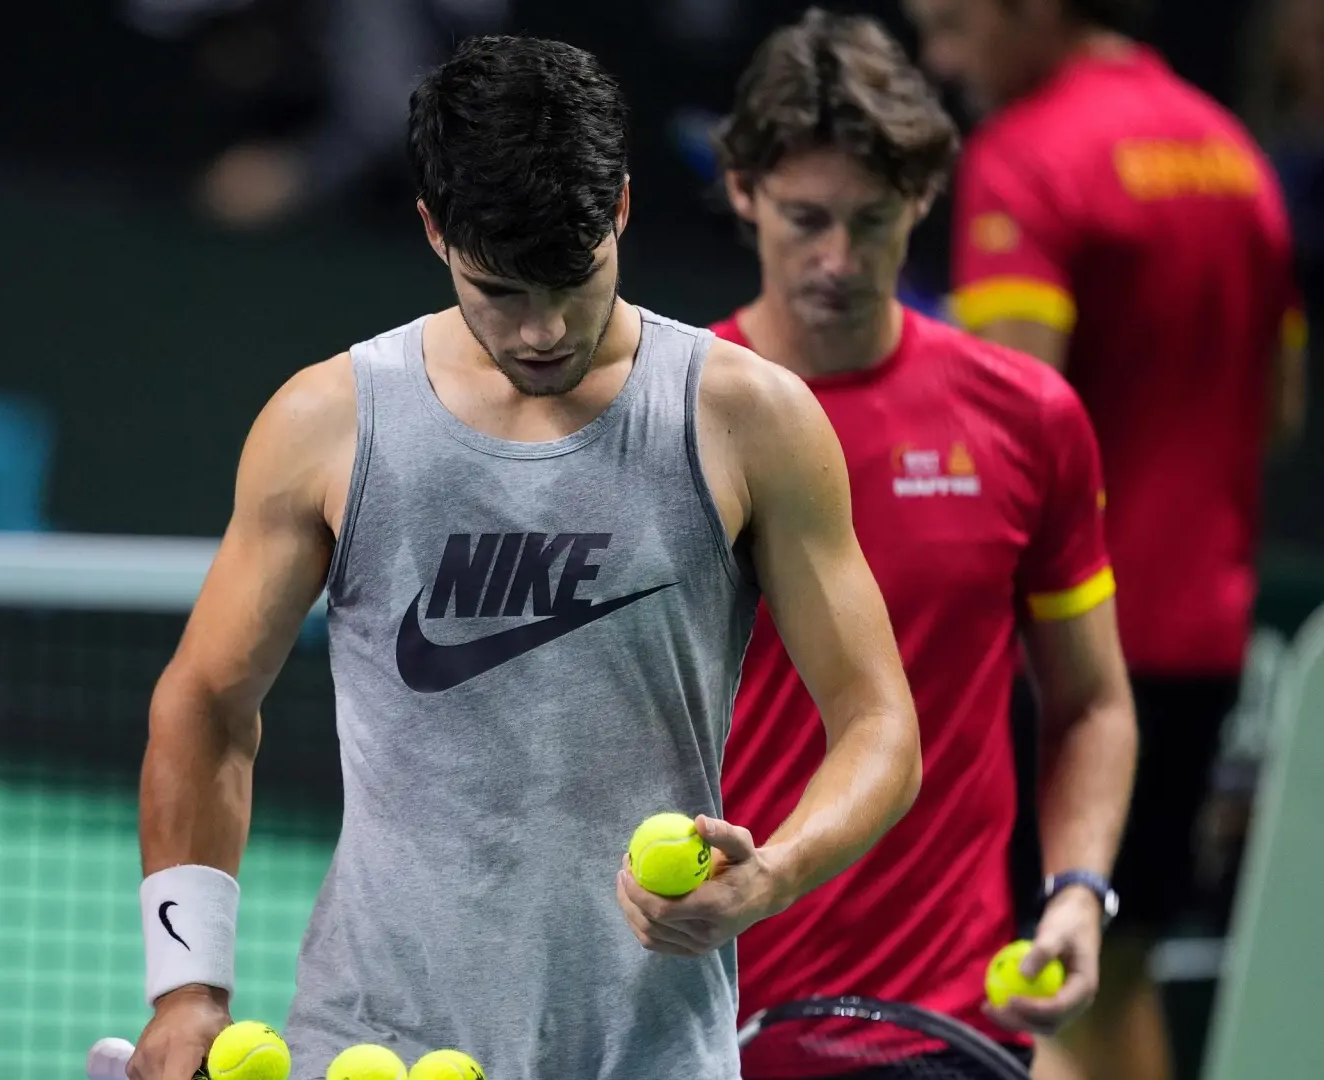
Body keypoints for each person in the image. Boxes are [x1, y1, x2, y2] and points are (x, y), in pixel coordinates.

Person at [128, 34, 924, 1080]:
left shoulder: (747, 418)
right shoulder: (330, 423)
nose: (544, 330)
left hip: (645, 1053)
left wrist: (771, 875)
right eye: (501, 289)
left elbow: (880, 726)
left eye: (573, 278)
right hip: (372, 1047)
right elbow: (205, 703)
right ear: (434, 233)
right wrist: (189, 987)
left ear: (622, 210)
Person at [704, 11, 1140, 1080]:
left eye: (874, 218)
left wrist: (1078, 892)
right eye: (806, 217)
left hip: (936, 1026)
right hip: (701, 1020)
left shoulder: (1027, 416)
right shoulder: (668, 415)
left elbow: (1090, 702)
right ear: (741, 192)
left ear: (926, 199)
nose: (839, 260)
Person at [906, 2, 1307, 1077]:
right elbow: (1281, 408)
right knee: (1116, 977)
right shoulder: (1232, 155)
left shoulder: (1028, 156)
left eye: (951, 25)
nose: (940, 62)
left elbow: (1006, 426)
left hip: (1071, 653)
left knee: (1038, 996)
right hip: (1205, 636)